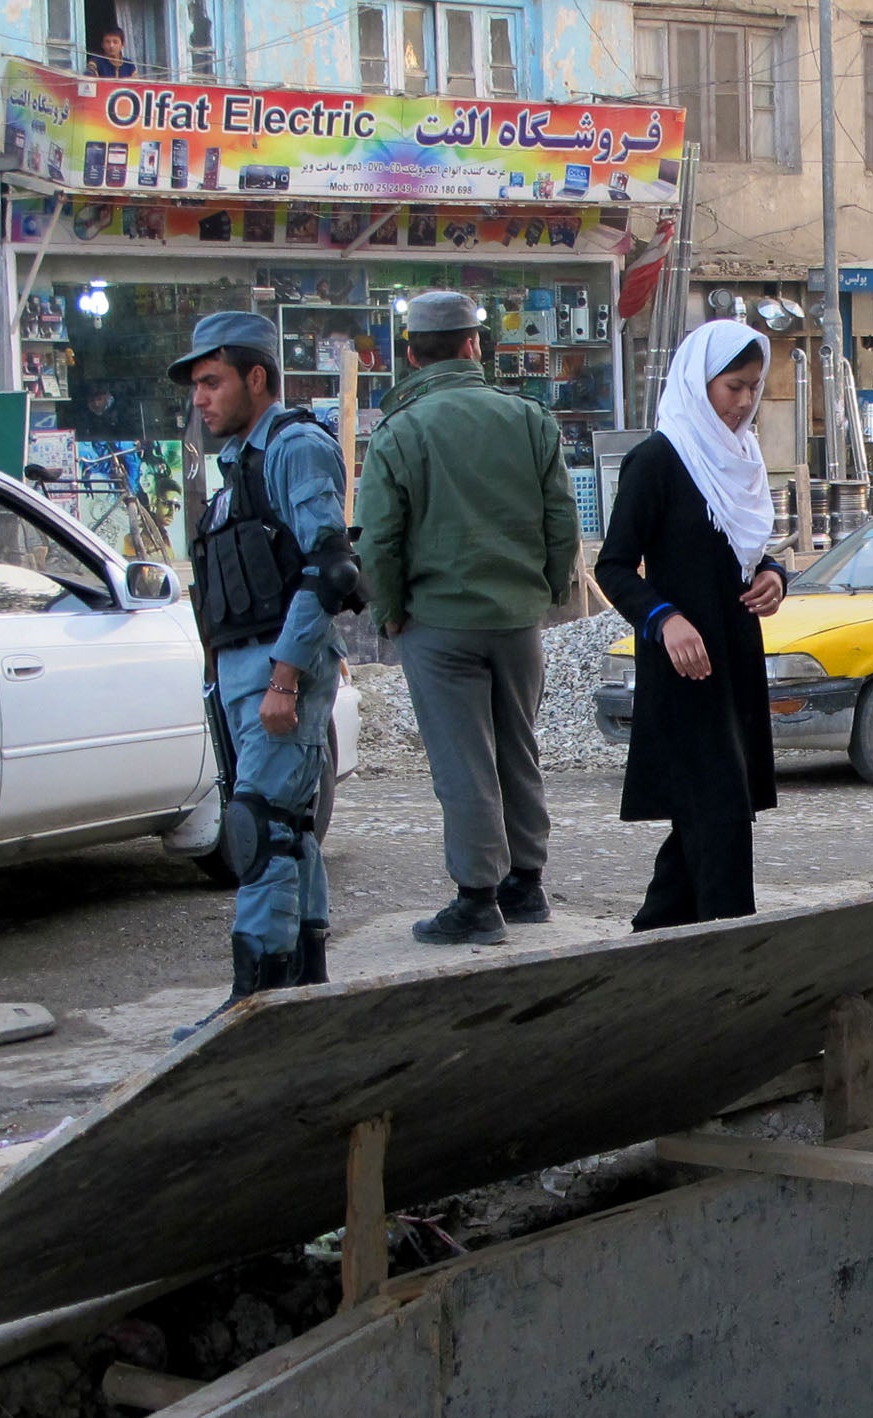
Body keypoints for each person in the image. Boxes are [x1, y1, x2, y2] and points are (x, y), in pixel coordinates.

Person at [358, 290, 580, 945]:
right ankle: (526, 886)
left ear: (409, 354)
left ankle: (478, 901)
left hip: (439, 623)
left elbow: (379, 539)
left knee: (463, 764)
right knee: (518, 750)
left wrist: (391, 612)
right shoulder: (529, 420)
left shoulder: (400, 430)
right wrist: (542, 591)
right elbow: (562, 522)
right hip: (517, 620)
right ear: (473, 346)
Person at [168, 313, 358, 1038]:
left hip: (282, 672)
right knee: (289, 833)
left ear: (257, 377)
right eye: (195, 387)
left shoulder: (294, 446)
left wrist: (283, 678)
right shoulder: (242, 461)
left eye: (212, 382)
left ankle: (257, 1005)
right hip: (249, 671)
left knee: (259, 832)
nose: (201, 400)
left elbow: (329, 565)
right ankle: (304, 989)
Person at [594, 320, 789, 930]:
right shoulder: (656, 459)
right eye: (732, 387)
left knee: (709, 812)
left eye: (753, 389)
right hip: (683, 662)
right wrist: (665, 618)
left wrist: (775, 576)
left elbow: (751, 551)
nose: (742, 402)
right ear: (697, 382)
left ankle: (656, 932)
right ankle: (735, 949)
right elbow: (615, 566)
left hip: (735, 655)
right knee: (720, 807)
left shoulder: (744, 459)